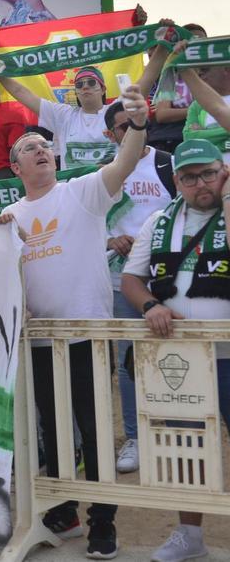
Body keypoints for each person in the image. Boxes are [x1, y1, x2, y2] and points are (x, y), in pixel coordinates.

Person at [0, 84, 151, 558]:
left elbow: (125, 162)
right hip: (39, 342)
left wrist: (140, 124)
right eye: (29, 148)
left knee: (92, 430)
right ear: (16, 168)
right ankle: (64, 508)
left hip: (86, 336)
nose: (41, 150)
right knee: (53, 428)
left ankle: (102, 521)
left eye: (45, 145)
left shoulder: (83, 192)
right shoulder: (8, 216)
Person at [118, 138, 230, 562]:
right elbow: (132, 279)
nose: (200, 183)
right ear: (177, 181)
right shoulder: (159, 220)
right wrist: (150, 305)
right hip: (181, 358)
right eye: (188, 177)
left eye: (208, 173)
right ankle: (190, 534)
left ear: (223, 171)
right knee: (187, 447)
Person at [100, 100, 177, 475]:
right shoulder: (102, 174)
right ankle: (135, 435)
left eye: (133, 124)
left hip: (168, 279)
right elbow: (89, 226)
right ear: (109, 134)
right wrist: (110, 240)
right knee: (129, 361)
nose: (128, 131)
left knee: (175, 355)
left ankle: (177, 430)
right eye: (120, 127)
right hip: (120, 280)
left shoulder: (168, 163)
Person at [150, 23, 207, 154]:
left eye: (202, 41)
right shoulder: (170, 74)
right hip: (174, 139)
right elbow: (162, 114)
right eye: (192, 42)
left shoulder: (215, 73)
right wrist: (197, 110)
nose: (197, 46)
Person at [175, 40, 230, 164]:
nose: (200, 75)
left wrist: (206, 135)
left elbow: (199, 139)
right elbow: (190, 139)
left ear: (226, 69)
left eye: (205, 70)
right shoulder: (197, 105)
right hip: (212, 177)